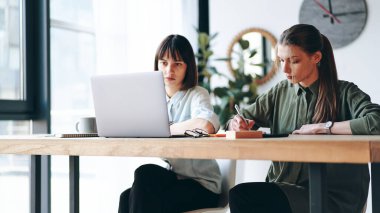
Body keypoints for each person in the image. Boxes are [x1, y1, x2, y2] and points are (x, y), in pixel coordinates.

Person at [227, 24, 380, 213]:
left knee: (243, 196)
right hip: (284, 188)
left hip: (331, 196)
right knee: (242, 196)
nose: (285, 69)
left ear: (316, 57)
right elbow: (239, 120)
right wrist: (237, 124)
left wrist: (326, 127)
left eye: (294, 61)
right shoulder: (280, 92)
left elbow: (376, 121)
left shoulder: (345, 92)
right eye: (281, 60)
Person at [118, 34, 221, 213]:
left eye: (177, 64)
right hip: (176, 178)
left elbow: (206, 124)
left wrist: (165, 130)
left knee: (142, 189)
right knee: (130, 191)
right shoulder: (156, 99)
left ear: (188, 66)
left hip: (202, 185)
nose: (169, 71)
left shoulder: (197, 94)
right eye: (164, 63)